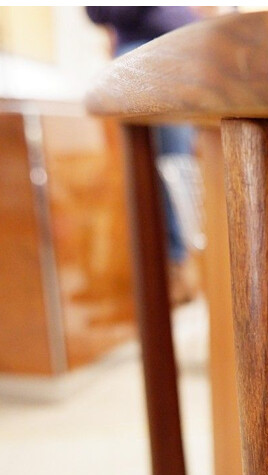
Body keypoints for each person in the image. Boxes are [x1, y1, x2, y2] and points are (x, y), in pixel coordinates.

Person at [86, 7, 201, 302]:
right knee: (166, 172)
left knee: (178, 169)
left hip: (185, 47)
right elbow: (98, 10)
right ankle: (173, 267)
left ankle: (185, 264)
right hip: (149, 50)